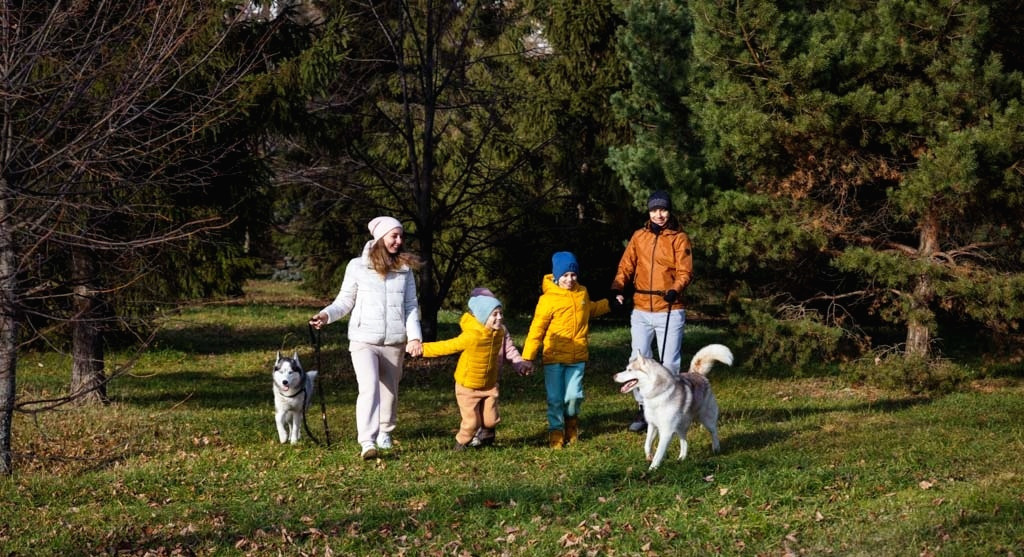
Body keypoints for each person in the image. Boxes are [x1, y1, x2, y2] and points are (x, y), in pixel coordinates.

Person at [309, 216, 424, 460]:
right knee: (369, 387)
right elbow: (344, 301)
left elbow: (411, 306)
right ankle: (367, 441)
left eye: (401, 236)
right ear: (380, 237)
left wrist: (414, 337)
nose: (399, 240)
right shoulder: (357, 266)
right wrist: (326, 315)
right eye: (394, 235)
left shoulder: (404, 270)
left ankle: (385, 431)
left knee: (390, 392)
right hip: (363, 340)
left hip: (394, 341)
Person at [611, 190, 693, 433]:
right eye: (654, 210)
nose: (659, 214)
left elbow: (685, 272)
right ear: (648, 212)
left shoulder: (679, 238)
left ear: (670, 211)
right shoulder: (639, 237)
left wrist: (675, 289)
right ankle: (643, 409)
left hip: (669, 308)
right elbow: (626, 266)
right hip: (641, 310)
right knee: (638, 360)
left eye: (663, 209)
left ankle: (670, 409)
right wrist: (617, 288)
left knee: (668, 363)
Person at [418, 289, 533, 450]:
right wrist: (422, 349)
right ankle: (461, 443)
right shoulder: (472, 336)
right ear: (483, 316)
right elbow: (446, 346)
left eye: (500, 313)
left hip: (490, 384)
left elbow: (510, 349)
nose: (499, 317)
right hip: (468, 386)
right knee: (472, 422)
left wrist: (520, 363)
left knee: (491, 420)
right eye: (495, 314)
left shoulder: (500, 332)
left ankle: (486, 437)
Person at [522, 252, 612, 449]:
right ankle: (556, 431)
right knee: (555, 398)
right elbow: (537, 329)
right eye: (565, 275)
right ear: (556, 276)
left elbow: (590, 309)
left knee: (574, 396)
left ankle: (571, 425)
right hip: (553, 357)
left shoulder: (582, 293)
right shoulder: (547, 300)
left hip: (577, 356)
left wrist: (609, 304)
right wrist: (527, 357)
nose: (569, 279)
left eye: (573, 275)